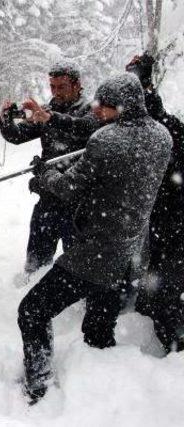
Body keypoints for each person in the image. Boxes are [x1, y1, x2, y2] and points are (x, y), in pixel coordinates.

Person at [18, 73, 172, 404]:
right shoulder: (162, 137)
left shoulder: (106, 142)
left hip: (95, 254)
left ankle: (38, 386)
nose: (97, 109)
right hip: (130, 253)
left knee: (32, 311)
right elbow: (117, 168)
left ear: (123, 105)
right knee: (98, 332)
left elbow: (70, 188)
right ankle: (101, 398)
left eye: (104, 105)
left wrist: (45, 174)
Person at [0, 62, 101, 281]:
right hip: (49, 193)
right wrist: (6, 119)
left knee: (78, 260)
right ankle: (31, 283)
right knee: (36, 257)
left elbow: (85, 128)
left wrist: (51, 119)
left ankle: (77, 297)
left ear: (76, 85)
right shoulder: (48, 110)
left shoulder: (92, 109)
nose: (55, 92)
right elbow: (17, 136)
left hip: (78, 199)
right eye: (52, 86)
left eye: (61, 86)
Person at [127, 53, 184, 354]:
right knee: (155, 282)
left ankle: (175, 345)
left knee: (166, 285)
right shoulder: (138, 128)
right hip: (156, 218)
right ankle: (160, 327)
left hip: (173, 217)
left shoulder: (165, 128)